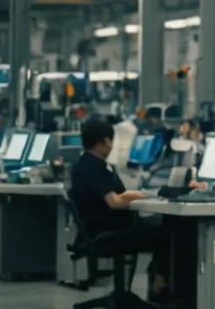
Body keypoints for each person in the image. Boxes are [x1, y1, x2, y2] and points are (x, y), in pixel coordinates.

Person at [67, 118, 168, 295]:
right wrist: (147, 197)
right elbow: (114, 201)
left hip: (94, 230)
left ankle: (147, 283)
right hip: (107, 232)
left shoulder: (83, 164)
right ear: (106, 141)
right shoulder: (95, 167)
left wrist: (142, 195)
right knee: (166, 235)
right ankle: (158, 279)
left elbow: (115, 195)